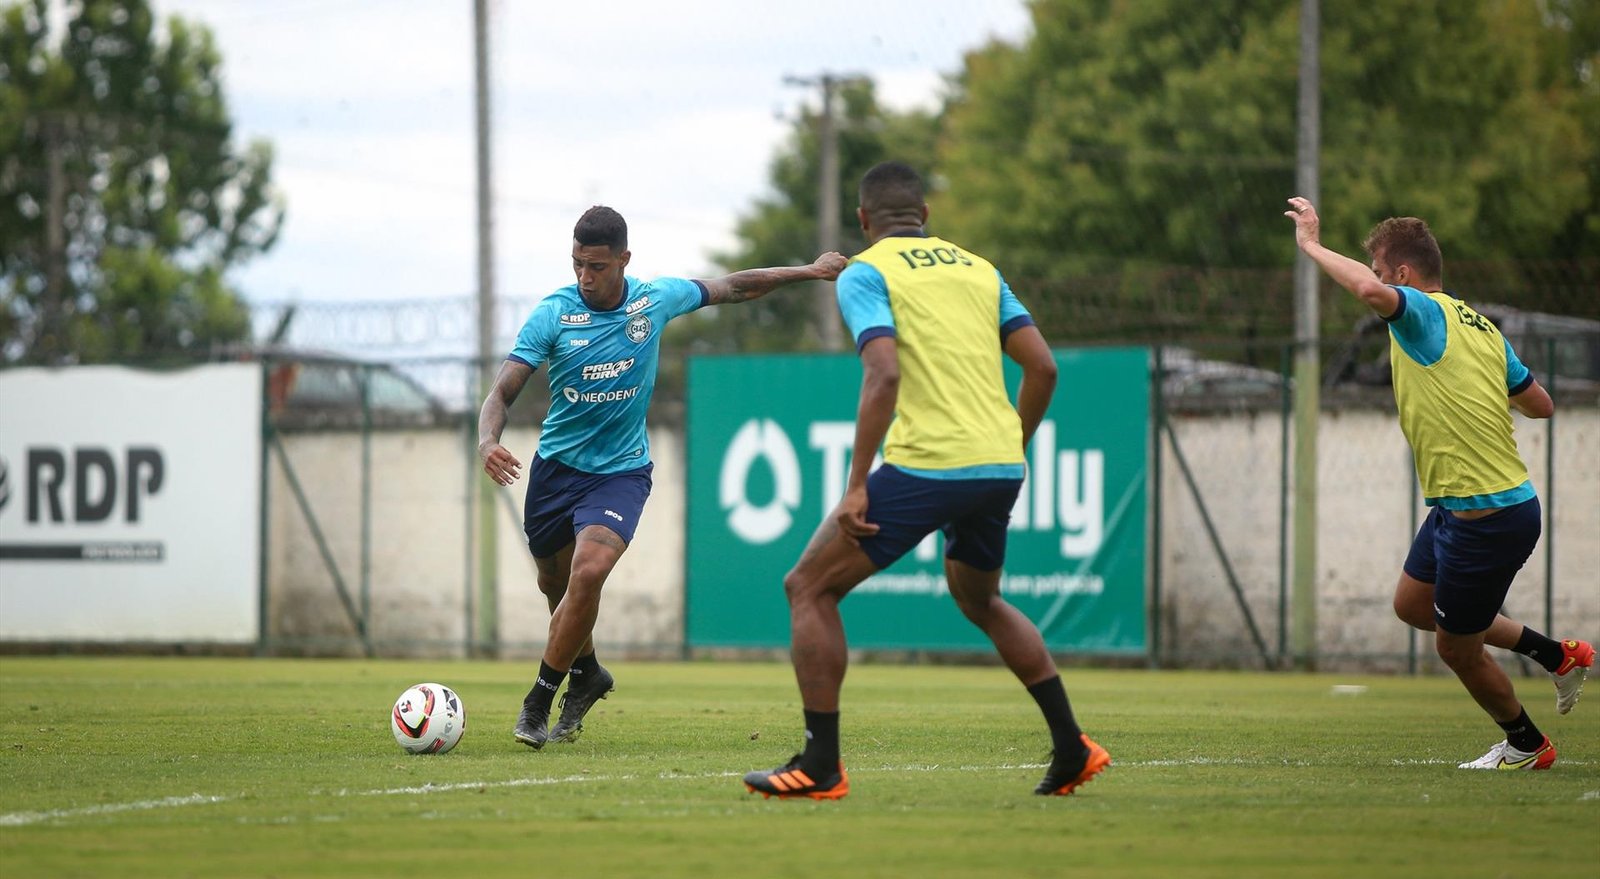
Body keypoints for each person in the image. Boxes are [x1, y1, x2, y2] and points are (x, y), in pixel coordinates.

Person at [741, 162, 1110, 800]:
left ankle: (821, 765)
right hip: (998, 466)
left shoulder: (866, 271)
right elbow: (1043, 369)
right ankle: (1072, 746)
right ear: (926, 216)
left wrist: (857, 484)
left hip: (929, 463)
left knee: (807, 588)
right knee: (980, 600)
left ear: (863, 220)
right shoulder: (979, 269)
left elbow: (883, 374)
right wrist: (1008, 445)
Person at [480, 205, 847, 749]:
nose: (586, 276)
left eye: (598, 266)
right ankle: (588, 675)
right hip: (555, 473)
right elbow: (502, 391)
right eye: (578, 264)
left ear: (624, 260)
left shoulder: (655, 300)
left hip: (621, 473)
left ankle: (539, 700)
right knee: (554, 587)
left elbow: (735, 287)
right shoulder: (553, 314)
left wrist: (810, 271)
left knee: (589, 571)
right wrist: (488, 440)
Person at [1285, 196, 1593, 771]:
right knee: (1412, 604)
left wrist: (1311, 245)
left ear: (1403, 275)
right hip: (1463, 508)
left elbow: (1371, 295)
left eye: (1380, 270)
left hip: (1488, 515)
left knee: (1455, 646)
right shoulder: (1480, 327)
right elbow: (1542, 405)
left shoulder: (1422, 312)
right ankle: (1556, 655)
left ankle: (1527, 744)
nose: (1377, 282)